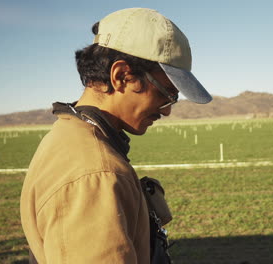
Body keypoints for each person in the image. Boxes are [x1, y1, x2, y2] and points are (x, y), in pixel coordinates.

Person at [20, 7, 212, 263]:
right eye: (167, 93)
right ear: (121, 76)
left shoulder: (70, 134)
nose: (166, 111)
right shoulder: (94, 174)